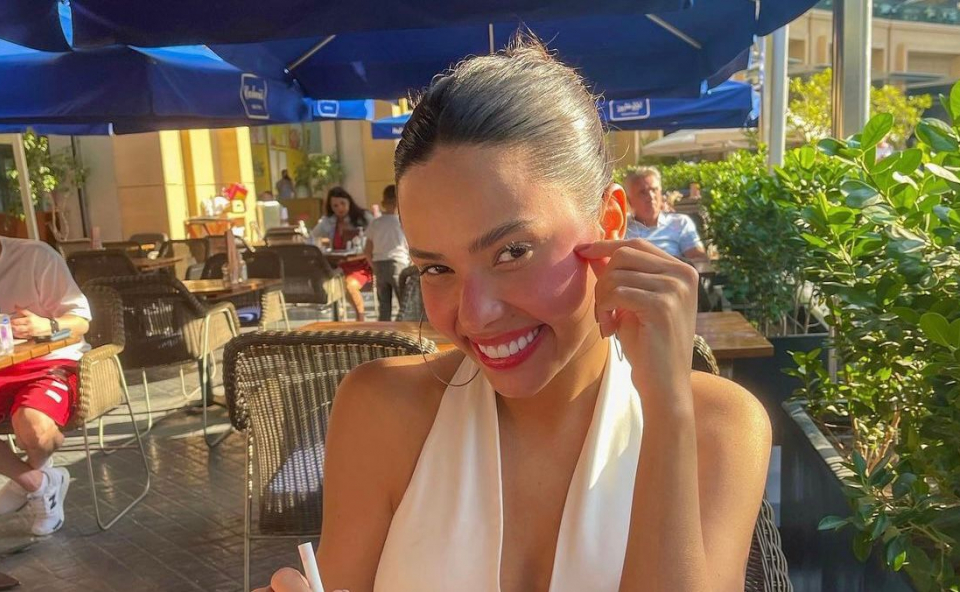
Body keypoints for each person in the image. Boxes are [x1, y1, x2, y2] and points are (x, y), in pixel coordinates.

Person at [256, 37, 770, 592]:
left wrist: (667, 412)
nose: (475, 316)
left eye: (512, 252)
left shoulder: (717, 427)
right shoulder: (379, 411)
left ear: (610, 222)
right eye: (436, 268)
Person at [0, 201, 91, 536]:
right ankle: (38, 482)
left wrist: (47, 326)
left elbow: (81, 322)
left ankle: (31, 476)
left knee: (33, 429)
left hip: (51, 361)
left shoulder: (36, 257)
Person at [312, 187, 374, 321]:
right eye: (335, 206)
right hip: (338, 266)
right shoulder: (329, 222)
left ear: (349, 202)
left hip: (360, 265)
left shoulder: (363, 217)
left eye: (342, 203)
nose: (340, 208)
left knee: (349, 285)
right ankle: (336, 318)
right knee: (324, 282)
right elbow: (313, 235)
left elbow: (375, 236)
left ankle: (360, 318)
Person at [624, 167, 708, 260]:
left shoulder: (680, 223)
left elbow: (699, 260)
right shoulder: (622, 228)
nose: (651, 197)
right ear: (630, 201)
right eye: (642, 192)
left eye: (654, 190)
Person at [363, 185, 410, 322]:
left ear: (383, 203)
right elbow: (410, 247)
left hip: (379, 264)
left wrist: (373, 266)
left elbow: (367, 250)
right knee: (404, 304)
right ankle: (406, 329)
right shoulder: (404, 222)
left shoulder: (375, 223)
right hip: (398, 264)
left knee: (384, 305)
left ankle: (384, 330)